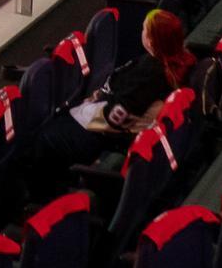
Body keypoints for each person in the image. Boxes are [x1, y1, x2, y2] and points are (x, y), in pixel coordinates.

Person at [40, 10, 196, 168]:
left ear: (151, 41)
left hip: (100, 134)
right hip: (103, 117)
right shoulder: (177, 60)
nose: (141, 32)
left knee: (45, 136)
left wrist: (86, 109)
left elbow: (116, 117)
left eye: (144, 29)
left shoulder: (152, 74)